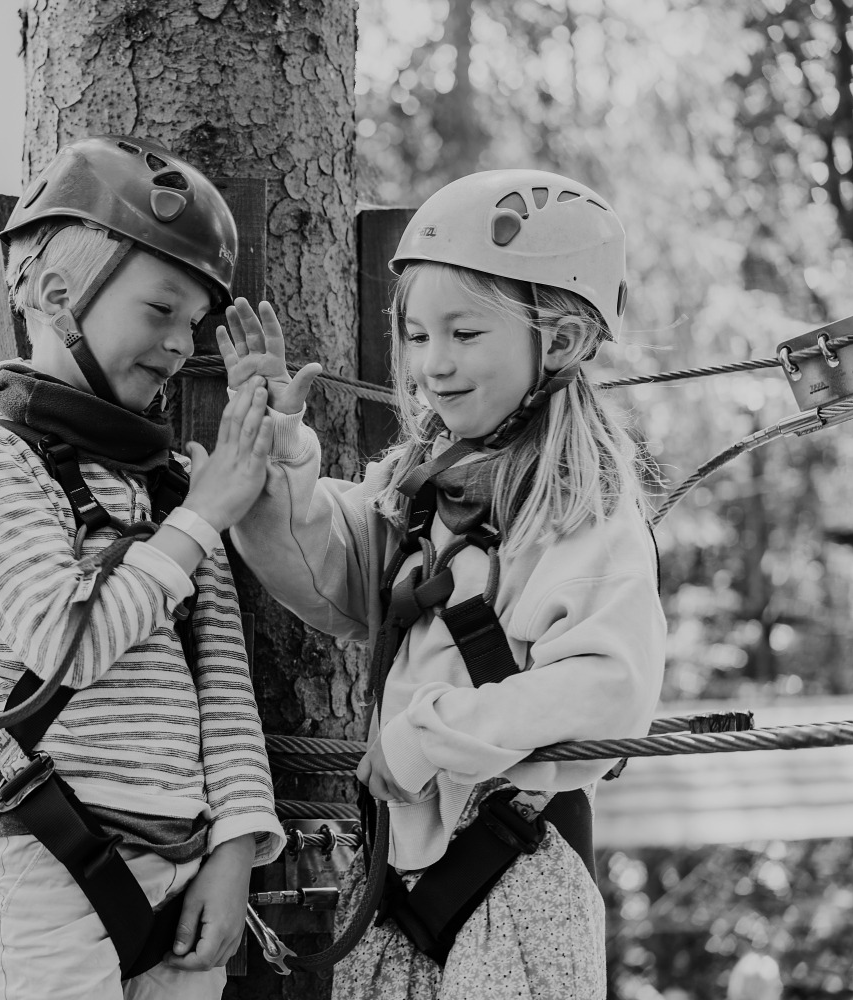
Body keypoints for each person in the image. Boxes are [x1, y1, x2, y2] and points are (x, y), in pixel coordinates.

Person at [224, 169, 666, 998]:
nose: (433, 365)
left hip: (519, 872)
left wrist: (424, 736)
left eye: (464, 333)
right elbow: (321, 571)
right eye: (418, 337)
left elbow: (608, 689)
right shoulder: (419, 494)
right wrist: (280, 460)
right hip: (398, 882)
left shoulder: (582, 506)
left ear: (562, 343)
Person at [0, 134, 285, 1000]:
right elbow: (65, 642)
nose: (178, 345)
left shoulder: (167, 489)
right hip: (51, 863)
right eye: (159, 310)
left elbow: (222, 680)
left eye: (193, 326)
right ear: (59, 294)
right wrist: (206, 516)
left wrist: (236, 845)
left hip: (182, 873)